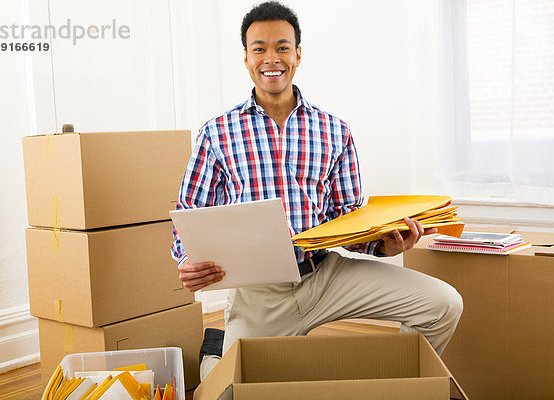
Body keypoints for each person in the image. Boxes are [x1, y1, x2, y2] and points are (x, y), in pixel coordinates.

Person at [171, 1, 463, 380]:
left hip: (326, 276)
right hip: (261, 293)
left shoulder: (334, 130)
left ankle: (390, 386)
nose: (271, 58)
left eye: (282, 47)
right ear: (245, 58)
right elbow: (189, 211)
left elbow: (346, 216)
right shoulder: (217, 132)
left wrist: (383, 245)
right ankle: (215, 351)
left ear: (298, 54)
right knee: (226, 392)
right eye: (259, 48)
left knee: (443, 304)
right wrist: (186, 262)